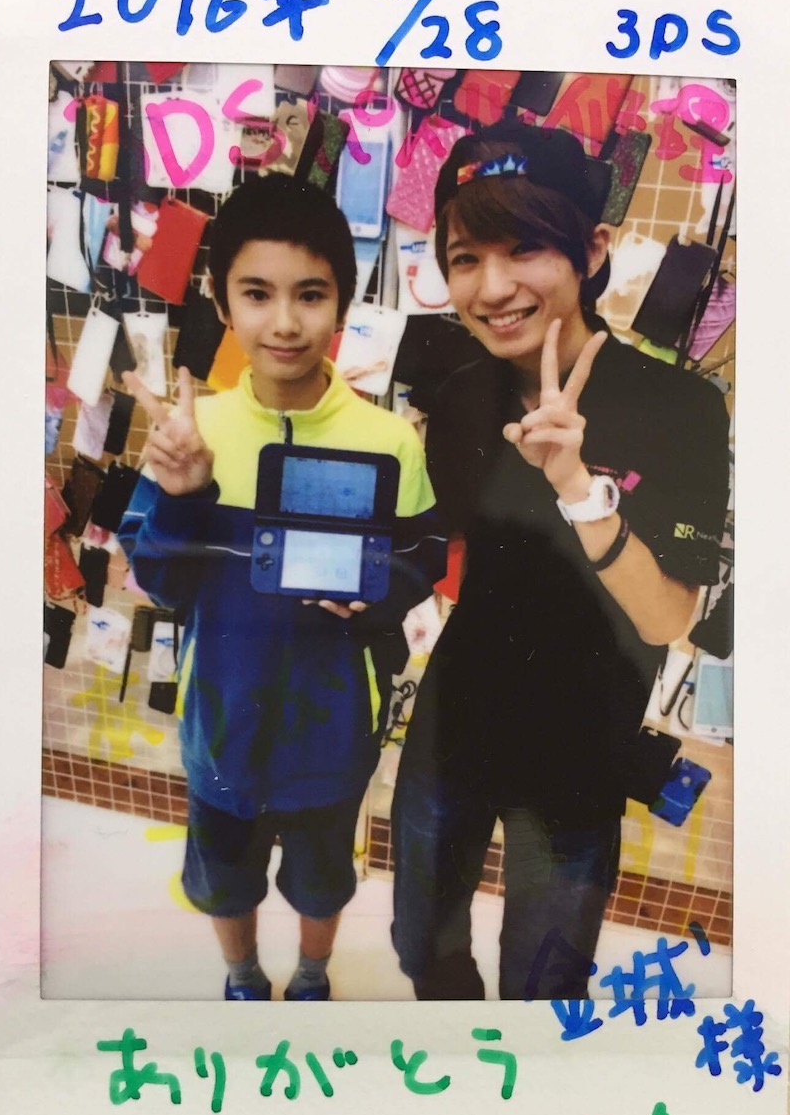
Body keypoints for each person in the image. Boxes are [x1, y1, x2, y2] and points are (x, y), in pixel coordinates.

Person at [391, 122, 730, 1001]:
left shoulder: (680, 407)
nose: (493, 287)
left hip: (580, 749)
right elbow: (444, 552)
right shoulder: (461, 394)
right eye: (466, 258)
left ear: (593, 248)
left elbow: (666, 616)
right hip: (454, 723)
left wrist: (579, 487)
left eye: (525, 249)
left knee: (545, 986)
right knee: (421, 946)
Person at [119, 176, 444, 1001]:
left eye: (311, 294)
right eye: (257, 294)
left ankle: (312, 972)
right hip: (220, 721)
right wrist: (184, 495)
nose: (286, 322)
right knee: (224, 876)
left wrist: (376, 593)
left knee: (322, 878)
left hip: (333, 730)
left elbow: (423, 556)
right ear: (221, 302)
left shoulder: (388, 439)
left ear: (343, 303)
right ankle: (240, 974)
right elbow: (157, 580)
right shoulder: (194, 431)